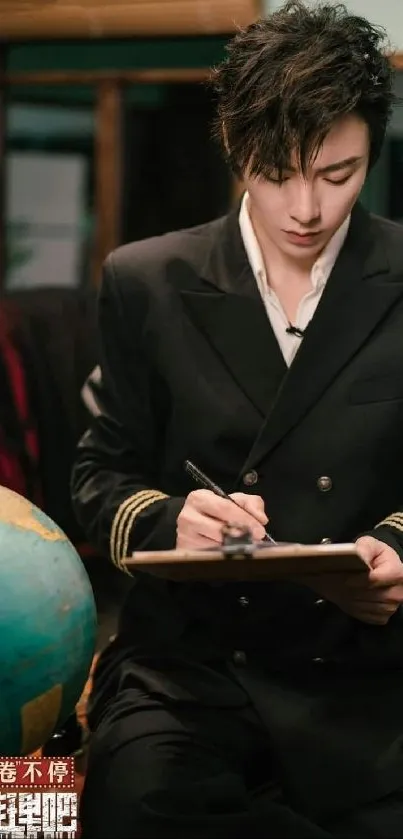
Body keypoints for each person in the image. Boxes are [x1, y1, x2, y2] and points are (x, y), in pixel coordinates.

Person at [71, 2, 403, 835]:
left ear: (373, 151)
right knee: (139, 802)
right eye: (274, 171)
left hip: (364, 668)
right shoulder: (146, 279)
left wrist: (397, 549)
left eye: (337, 175)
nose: (305, 209)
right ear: (231, 144)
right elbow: (99, 475)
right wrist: (173, 520)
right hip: (190, 664)